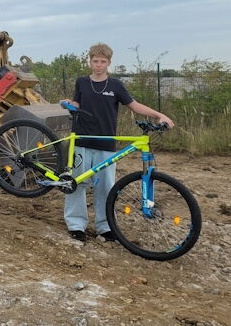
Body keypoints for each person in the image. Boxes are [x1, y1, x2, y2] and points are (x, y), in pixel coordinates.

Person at [62, 43, 174, 242]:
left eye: (102, 61)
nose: (98, 65)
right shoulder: (81, 82)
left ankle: (105, 226)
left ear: (109, 63)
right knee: (77, 183)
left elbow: (134, 105)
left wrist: (159, 115)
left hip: (106, 143)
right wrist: (70, 104)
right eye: (95, 61)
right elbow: (77, 102)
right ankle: (76, 225)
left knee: (106, 187)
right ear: (90, 61)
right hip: (81, 139)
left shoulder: (116, 85)